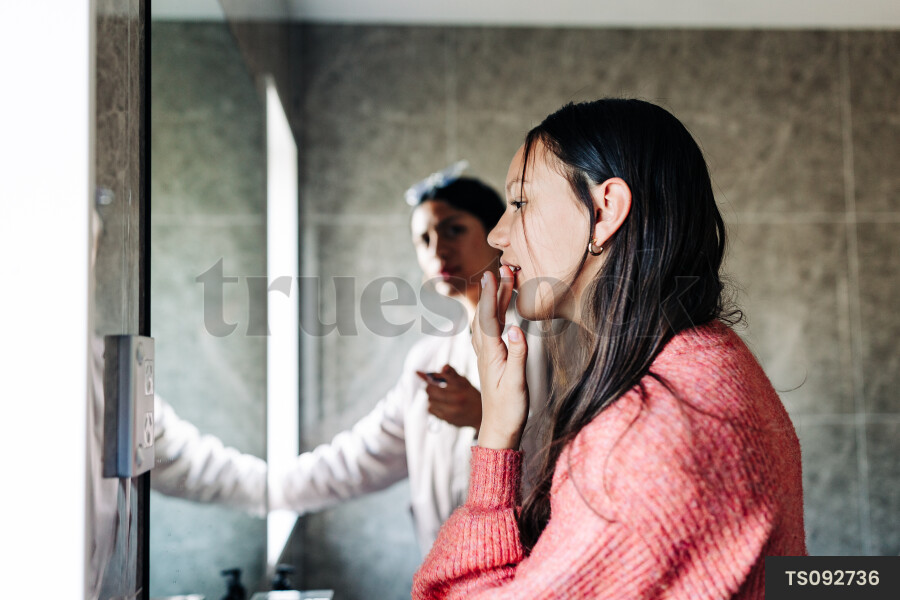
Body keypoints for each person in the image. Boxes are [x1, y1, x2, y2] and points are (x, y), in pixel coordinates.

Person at [412, 99, 807, 599]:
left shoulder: (647, 435)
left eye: (520, 203)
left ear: (605, 211)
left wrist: (495, 434)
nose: (498, 234)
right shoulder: (709, 354)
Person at [148, 170, 549, 555]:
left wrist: (486, 418)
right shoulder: (428, 360)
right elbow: (359, 460)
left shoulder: (541, 340)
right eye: (423, 239)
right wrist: (266, 489)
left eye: (453, 229)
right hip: (451, 575)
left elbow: (571, 463)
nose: (438, 249)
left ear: (497, 230)